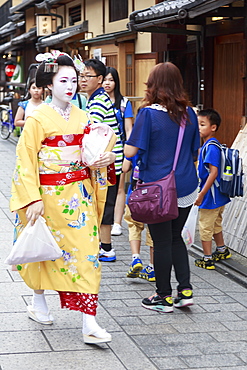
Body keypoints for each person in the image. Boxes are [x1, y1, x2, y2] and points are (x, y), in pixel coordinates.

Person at [10, 52, 116, 344]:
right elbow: (25, 159)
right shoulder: (37, 118)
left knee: (88, 256)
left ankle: (89, 322)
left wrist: (103, 158)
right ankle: (39, 301)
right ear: (49, 84)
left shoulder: (84, 117)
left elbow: (91, 153)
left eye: (74, 80)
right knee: (43, 249)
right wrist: (32, 198)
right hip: (47, 196)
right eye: (63, 80)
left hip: (79, 195)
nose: (71, 86)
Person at [124, 62, 200, 313]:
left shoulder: (148, 114)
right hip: (186, 186)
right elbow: (193, 152)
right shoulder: (190, 113)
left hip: (159, 190)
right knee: (176, 238)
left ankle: (164, 296)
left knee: (161, 241)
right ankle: (185, 292)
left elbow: (131, 150)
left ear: (153, 85)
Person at [80, 59, 124, 262]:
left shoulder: (98, 100)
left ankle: (106, 248)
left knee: (105, 204)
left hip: (107, 163)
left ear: (99, 79)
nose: (82, 80)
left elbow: (91, 133)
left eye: (87, 76)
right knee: (103, 203)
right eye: (81, 76)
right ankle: (103, 245)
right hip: (108, 161)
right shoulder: (97, 97)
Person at [194, 108, 231, 270]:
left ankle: (207, 258)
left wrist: (201, 194)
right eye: (198, 124)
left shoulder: (211, 147)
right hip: (219, 195)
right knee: (216, 224)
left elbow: (213, 172)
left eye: (203, 124)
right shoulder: (209, 146)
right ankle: (222, 250)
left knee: (205, 226)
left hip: (211, 195)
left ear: (213, 127)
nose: (199, 127)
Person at [103, 67, 133, 236]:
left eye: (111, 80)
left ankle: (116, 223)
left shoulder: (124, 103)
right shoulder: (96, 101)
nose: (108, 83)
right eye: (105, 80)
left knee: (120, 187)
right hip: (101, 150)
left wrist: (128, 155)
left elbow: (129, 130)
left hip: (119, 151)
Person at [123, 156, 155, 282]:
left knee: (134, 225)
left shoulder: (135, 146)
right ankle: (152, 268)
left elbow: (125, 168)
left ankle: (136, 258)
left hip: (135, 195)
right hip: (155, 195)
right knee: (153, 230)